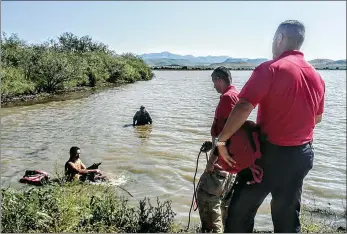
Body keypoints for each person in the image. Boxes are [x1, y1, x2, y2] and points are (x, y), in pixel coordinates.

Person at [214, 20, 325, 233]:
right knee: (287, 219)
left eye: (274, 40)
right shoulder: (316, 76)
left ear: (280, 38)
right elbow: (316, 118)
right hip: (301, 156)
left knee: (239, 214)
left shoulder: (270, 68)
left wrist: (221, 140)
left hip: (268, 157)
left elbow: (244, 106)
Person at [196, 66, 239, 233]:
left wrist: (211, 162)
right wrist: (212, 144)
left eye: (214, 82)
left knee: (206, 198)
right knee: (222, 204)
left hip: (221, 163)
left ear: (219, 80)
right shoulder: (236, 95)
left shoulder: (226, 99)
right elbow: (231, 132)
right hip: (231, 164)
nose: (213, 86)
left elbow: (224, 137)